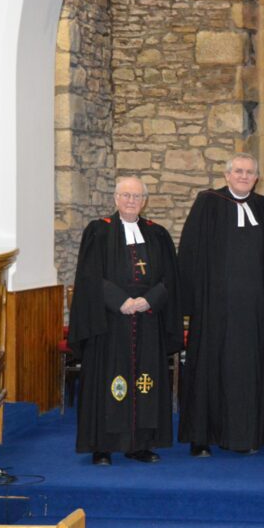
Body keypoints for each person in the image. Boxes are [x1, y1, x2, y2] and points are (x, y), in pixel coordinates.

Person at [69, 176, 181, 466]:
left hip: (148, 319)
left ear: (144, 201)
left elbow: (171, 277)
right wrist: (120, 301)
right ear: (116, 199)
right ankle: (103, 446)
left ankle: (140, 444)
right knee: (108, 380)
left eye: (137, 196)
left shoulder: (158, 234)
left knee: (146, 381)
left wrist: (150, 299)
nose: (131, 201)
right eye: (126, 196)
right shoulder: (99, 231)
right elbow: (90, 276)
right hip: (109, 322)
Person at [177, 152, 264, 456]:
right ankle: (202, 438)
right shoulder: (208, 201)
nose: (244, 176)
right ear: (227, 175)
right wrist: (194, 301)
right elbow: (190, 251)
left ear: (256, 177)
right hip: (214, 309)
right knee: (209, 368)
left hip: (253, 311)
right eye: (238, 171)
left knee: (247, 372)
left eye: (250, 172)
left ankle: (244, 436)